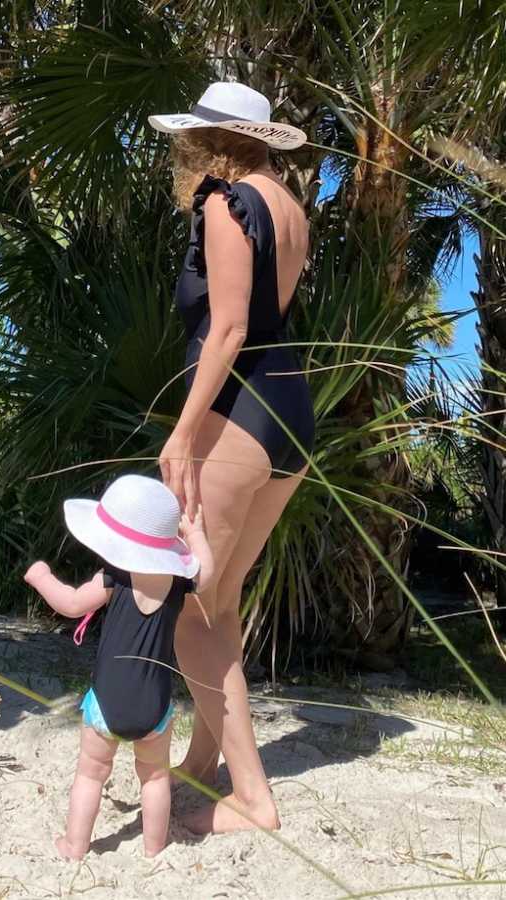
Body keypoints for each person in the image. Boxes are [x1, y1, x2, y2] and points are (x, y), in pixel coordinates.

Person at [149, 82, 315, 834]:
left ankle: (253, 799)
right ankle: (205, 764)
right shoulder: (288, 207)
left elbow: (229, 328)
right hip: (292, 416)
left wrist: (184, 433)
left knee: (190, 606)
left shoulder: (223, 201)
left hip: (239, 415)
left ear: (205, 143)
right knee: (224, 598)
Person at [24, 474, 214, 858]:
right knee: (155, 777)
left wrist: (41, 577)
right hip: (156, 705)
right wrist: (195, 537)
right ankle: (154, 847)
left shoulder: (114, 576)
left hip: (106, 703)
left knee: (91, 773)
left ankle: (75, 845)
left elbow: (72, 603)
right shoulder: (180, 583)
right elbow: (206, 576)